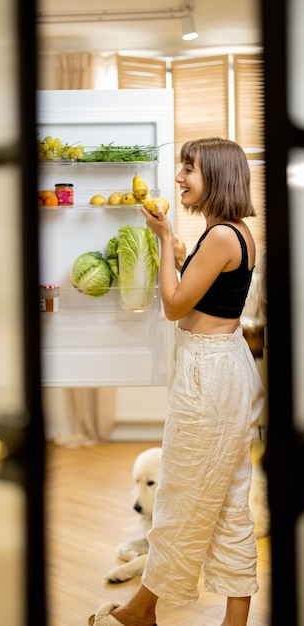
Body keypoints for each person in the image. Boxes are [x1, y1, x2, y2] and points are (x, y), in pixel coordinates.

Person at [89, 137, 265, 626]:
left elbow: (173, 306)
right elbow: (205, 296)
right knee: (228, 496)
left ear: (220, 178)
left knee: (182, 493)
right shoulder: (234, 232)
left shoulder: (222, 236)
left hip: (209, 373)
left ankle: (141, 610)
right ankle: (232, 619)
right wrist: (183, 252)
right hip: (222, 367)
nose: (180, 177)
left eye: (190, 169)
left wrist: (166, 239)